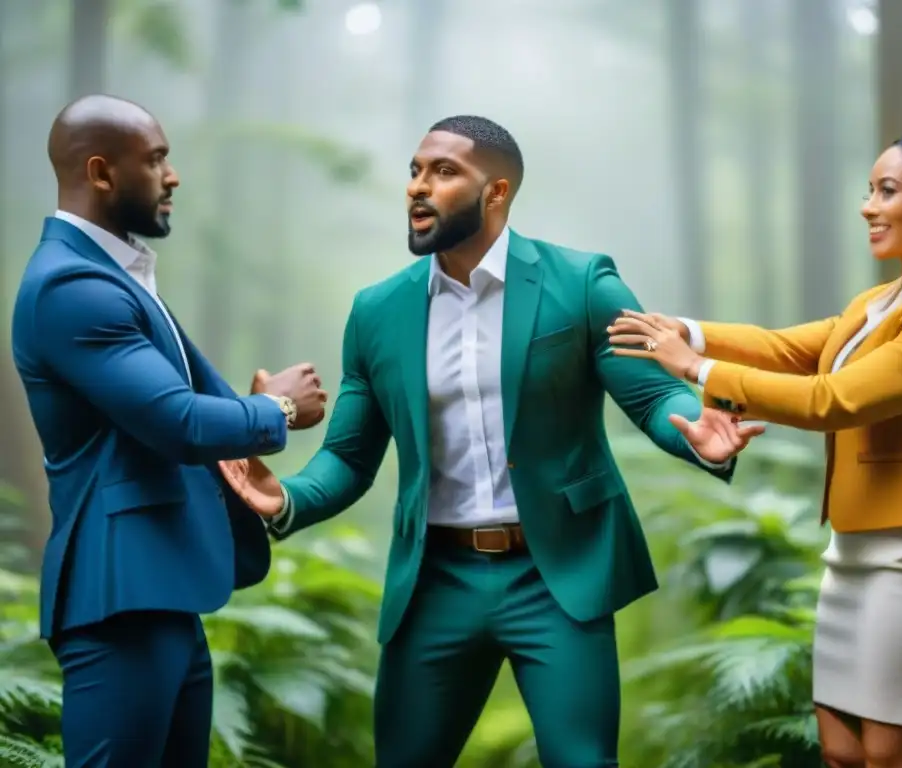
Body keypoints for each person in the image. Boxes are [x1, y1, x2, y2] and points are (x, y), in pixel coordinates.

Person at [218, 114, 764, 767]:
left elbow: (650, 394)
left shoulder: (582, 282)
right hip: (436, 581)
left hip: (555, 574)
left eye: (444, 172)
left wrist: (695, 431)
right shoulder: (377, 312)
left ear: (496, 192)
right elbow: (348, 455)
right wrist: (286, 500)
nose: (419, 187)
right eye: (416, 171)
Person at [609, 127, 902, 768]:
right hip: (852, 553)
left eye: (888, 191)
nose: (868, 206)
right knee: (842, 752)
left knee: (893, 753)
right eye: (868, 191)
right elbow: (786, 349)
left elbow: (834, 400)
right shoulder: (879, 302)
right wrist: (679, 329)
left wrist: (695, 369)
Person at [11, 94, 328, 768]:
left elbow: (173, 409)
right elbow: (177, 423)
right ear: (101, 173)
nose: (172, 175)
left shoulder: (109, 276)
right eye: (156, 160)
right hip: (120, 595)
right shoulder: (72, 286)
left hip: (163, 591)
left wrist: (247, 416)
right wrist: (278, 412)